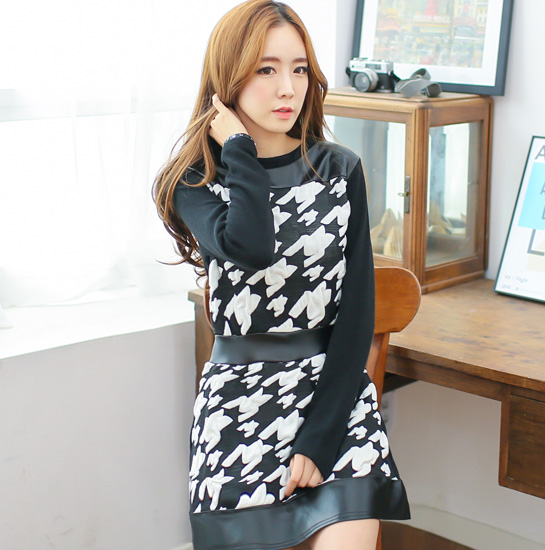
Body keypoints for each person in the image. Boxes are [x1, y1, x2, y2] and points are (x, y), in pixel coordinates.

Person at [153, 1, 410, 548]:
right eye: (266, 69)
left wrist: (320, 438)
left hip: (332, 399)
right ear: (229, 78)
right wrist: (240, 150)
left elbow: (357, 312)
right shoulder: (194, 182)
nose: (288, 88)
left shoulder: (339, 170)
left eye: (299, 70)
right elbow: (251, 247)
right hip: (238, 406)